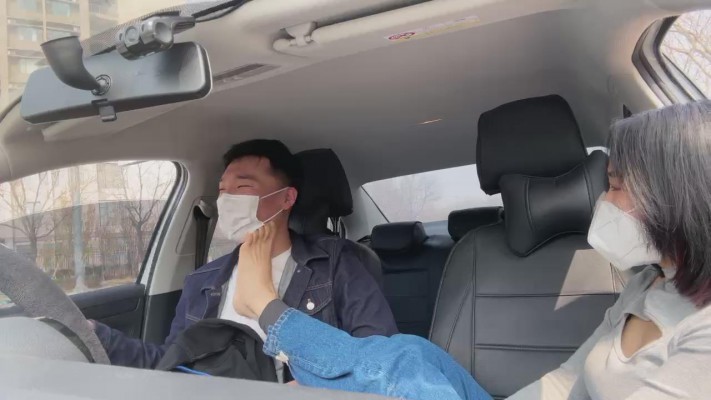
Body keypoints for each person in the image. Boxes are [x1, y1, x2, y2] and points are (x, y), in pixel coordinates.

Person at [233, 100, 711, 400]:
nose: (603, 200)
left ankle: (269, 311)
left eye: (617, 186)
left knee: (400, 372)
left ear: (676, 198)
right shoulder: (647, 285)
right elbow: (566, 381)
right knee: (411, 353)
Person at [91, 139, 397, 373]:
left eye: (243, 187)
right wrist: (98, 339)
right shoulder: (202, 280)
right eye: (223, 190)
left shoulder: (337, 264)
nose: (227, 200)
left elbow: (378, 359)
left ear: (287, 198)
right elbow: (174, 364)